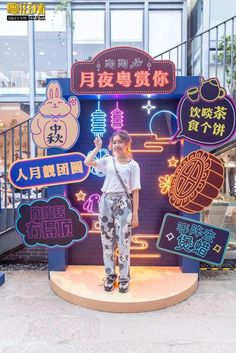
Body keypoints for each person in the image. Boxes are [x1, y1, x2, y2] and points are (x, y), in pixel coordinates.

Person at [84, 130, 141, 293]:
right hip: (106, 202)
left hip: (124, 203)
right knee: (107, 241)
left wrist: (135, 214)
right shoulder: (108, 160)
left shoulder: (133, 165)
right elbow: (88, 162)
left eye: (120, 142)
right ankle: (110, 275)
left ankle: (124, 277)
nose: (116, 145)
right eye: (114, 142)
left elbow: (135, 191)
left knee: (124, 243)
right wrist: (97, 148)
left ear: (127, 144)